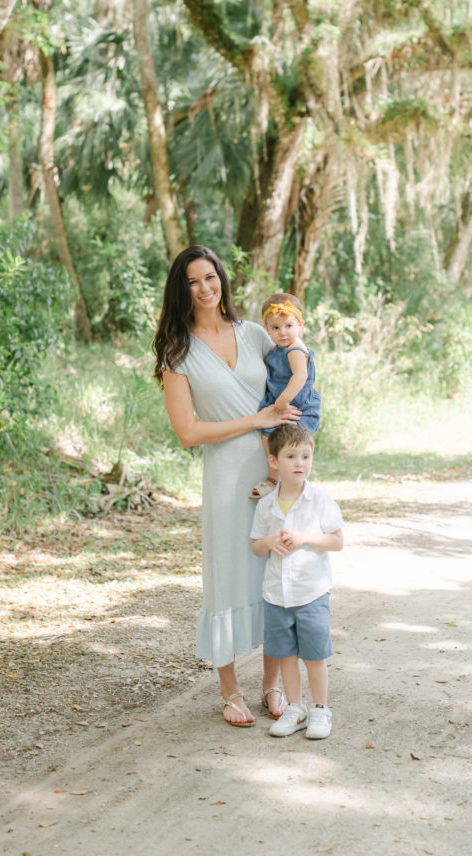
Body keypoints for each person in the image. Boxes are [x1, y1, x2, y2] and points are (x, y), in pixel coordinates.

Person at [153, 245, 300, 727]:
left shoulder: (255, 333)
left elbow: (295, 379)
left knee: (274, 574)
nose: (204, 288)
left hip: (270, 469)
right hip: (224, 476)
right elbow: (188, 432)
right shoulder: (180, 352)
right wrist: (252, 419)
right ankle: (230, 691)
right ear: (183, 289)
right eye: (193, 281)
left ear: (222, 280)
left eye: (210, 277)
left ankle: (272, 684)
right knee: (226, 577)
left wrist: (289, 451)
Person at [250, 423, 344, 739]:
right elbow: (256, 546)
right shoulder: (266, 505)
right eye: (291, 456)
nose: (300, 463)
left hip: (311, 593)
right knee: (286, 655)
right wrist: (270, 542)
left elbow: (336, 541)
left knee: (314, 656)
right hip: (277, 595)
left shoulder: (320, 501)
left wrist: (306, 537)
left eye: (306, 456)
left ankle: (320, 710)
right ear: (274, 461)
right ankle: (296, 707)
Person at [251, 292, 321, 498]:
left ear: (300, 325)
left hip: (297, 406)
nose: (282, 332)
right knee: (268, 437)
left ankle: (294, 483)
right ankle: (274, 478)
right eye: (275, 327)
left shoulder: (295, 349)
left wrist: (283, 400)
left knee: (294, 445)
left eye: (289, 326)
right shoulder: (277, 350)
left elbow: (300, 375)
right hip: (280, 404)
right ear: (267, 330)